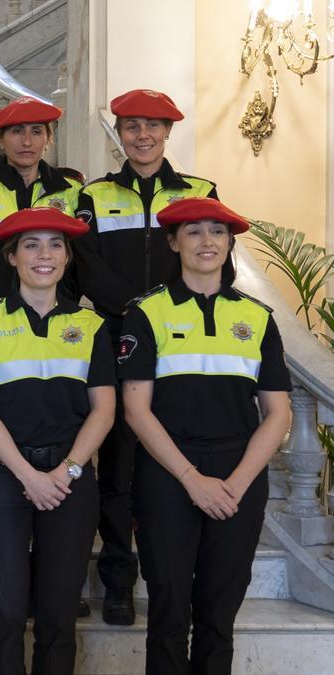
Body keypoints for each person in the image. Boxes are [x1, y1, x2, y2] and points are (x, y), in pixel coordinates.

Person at [119, 197, 291, 675]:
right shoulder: (146, 313)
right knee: (169, 613)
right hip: (168, 473)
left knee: (220, 613)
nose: (207, 241)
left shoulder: (257, 318)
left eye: (217, 232)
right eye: (193, 232)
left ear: (230, 243)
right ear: (174, 243)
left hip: (241, 471)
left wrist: (234, 484)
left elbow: (276, 414)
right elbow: (136, 409)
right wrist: (192, 479)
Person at [73, 88, 218, 626]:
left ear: (168, 132)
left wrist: (160, 313)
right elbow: (85, 268)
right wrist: (139, 312)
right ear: (119, 132)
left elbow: (210, 260)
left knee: (174, 458)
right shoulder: (94, 195)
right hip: (115, 343)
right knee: (116, 468)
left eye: (153, 126)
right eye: (132, 126)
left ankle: (174, 574)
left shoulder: (200, 192)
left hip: (181, 345)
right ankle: (116, 581)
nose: (142, 135)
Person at [0, 207, 116, 674]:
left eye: (54, 245)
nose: (43, 255)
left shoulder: (92, 327)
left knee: (59, 610)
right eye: (30, 245)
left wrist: (66, 471)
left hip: (69, 478)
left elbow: (105, 409)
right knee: (5, 610)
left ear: (68, 258)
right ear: (11, 257)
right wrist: (30, 476)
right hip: (2, 479)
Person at [0, 97, 82, 302]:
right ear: (0, 140)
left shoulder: (72, 189)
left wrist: (67, 300)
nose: (27, 141)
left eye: (36, 132)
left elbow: (80, 260)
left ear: (48, 140)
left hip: (56, 312)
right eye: (17, 131)